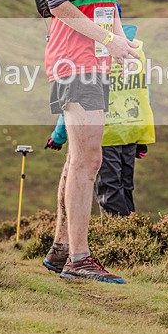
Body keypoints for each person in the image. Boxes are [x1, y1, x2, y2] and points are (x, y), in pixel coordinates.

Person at [39, 0, 138, 284]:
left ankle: (62, 249)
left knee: (80, 159)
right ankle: (80, 259)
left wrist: (124, 44)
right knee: (88, 161)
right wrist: (108, 40)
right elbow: (57, 3)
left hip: (97, 61)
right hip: (72, 60)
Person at [46, 22, 155, 217]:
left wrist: (58, 136)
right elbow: (143, 93)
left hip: (105, 132)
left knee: (109, 189)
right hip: (131, 130)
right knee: (125, 185)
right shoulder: (136, 49)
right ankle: (132, 234)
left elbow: (76, 102)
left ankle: (120, 237)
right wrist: (143, 137)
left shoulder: (95, 52)